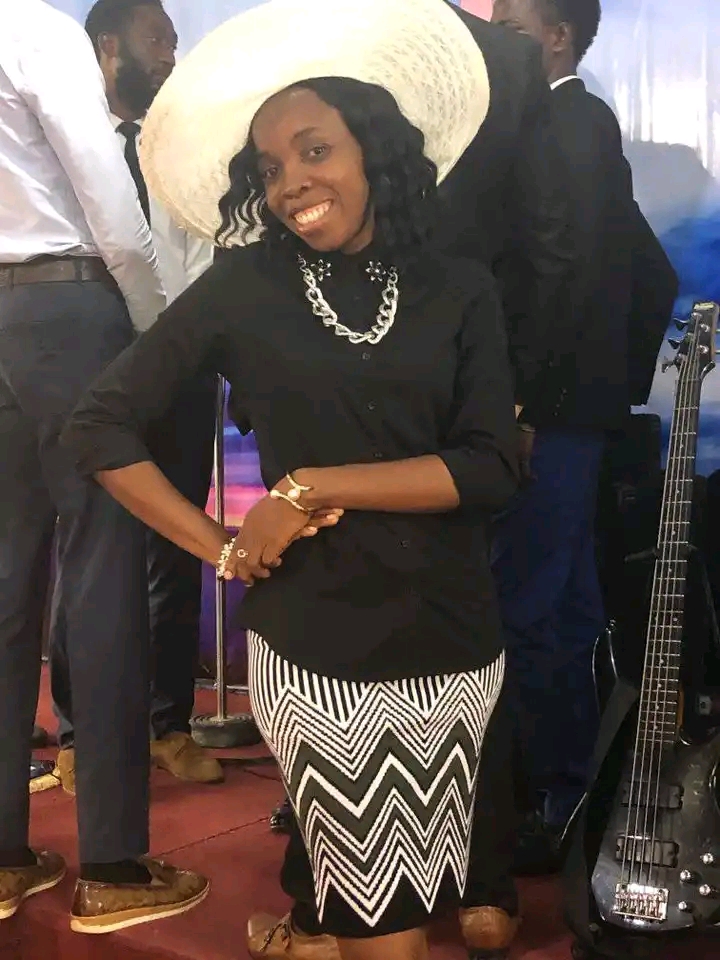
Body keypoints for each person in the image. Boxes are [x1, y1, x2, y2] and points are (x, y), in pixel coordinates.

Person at [61, 1, 520, 957]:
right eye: (270, 169)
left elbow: (489, 465)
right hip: (319, 649)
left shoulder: (459, 287)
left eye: (315, 151)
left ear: (374, 150)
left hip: (453, 645)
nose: (291, 184)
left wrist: (309, 486)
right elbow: (98, 425)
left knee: (400, 902)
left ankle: (308, 934)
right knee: (387, 928)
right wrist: (218, 546)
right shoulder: (245, 289)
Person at [268, 2, 578, 956]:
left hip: (436, 377)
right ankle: (414, 892)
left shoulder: (485, 61)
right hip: (405, 373)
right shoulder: (492, 60)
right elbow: (549, 239)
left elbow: (553, 239)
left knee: (426, 625)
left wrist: (513, 399)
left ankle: (370, 897)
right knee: (410, 625)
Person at [0, 0, 208, 933]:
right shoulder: (35, 30)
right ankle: (115, 864)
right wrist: (155, 339)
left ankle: (6, 857)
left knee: (7, 586)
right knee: (106, 575)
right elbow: (111, 212)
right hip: (70, 308)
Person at [488, 0, 678, 874]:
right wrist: (610, 388)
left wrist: (532, 404)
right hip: (578, 411)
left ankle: (554, 801)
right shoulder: (586, 126)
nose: (495, 42)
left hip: (551, 414)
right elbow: (652, 272)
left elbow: (560, 272)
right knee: (567, 608)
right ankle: (577, 794)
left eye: (510, 27)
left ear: (557, 38)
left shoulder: (561, 124)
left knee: (534, 609)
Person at [51, 0, 221, 796]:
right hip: (90, 372)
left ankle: (167, 724)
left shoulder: (176, 152)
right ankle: (81, 734)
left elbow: (202, 258)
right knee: (88, 552)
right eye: (158, 41)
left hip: (177, 373)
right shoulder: (61, 144)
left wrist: (185, 348)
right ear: (108, 46)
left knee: (178, 548)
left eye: (176, 42)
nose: (171, 57)